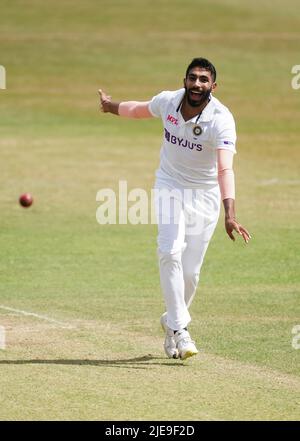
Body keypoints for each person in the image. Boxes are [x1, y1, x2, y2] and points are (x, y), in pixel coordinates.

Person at [99, 57, 251, 360]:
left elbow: (224, 169)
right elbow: (139, 109)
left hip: (205, 196)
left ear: (213, 86)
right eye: (192, 78)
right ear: (185, 80)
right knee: (169, 252)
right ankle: (182, 331)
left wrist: (230, 213)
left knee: (191, 272)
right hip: (169, 186)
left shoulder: (221, 118)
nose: (197, 84)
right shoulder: (169, 102)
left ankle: (169, 323)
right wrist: (110, 105)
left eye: (203, 80)